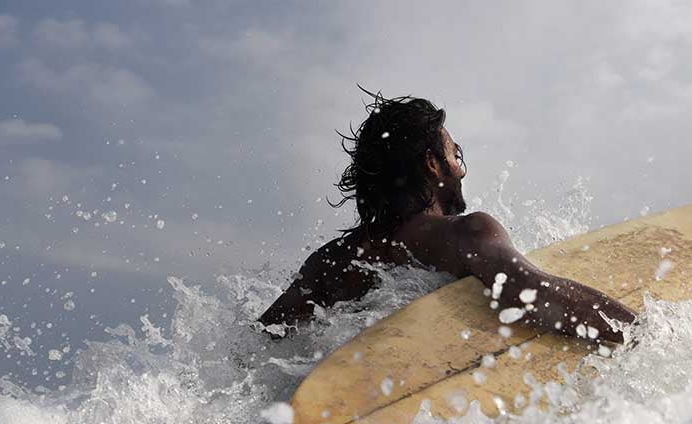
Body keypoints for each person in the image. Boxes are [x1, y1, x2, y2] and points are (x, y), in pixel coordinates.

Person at [259, 89, 635, 343]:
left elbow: (263, 341)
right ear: (433, 164)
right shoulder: (465, 234)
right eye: (456, 155)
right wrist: (644, 335)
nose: (462, 169)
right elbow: (534, 295)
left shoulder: (329, 262)